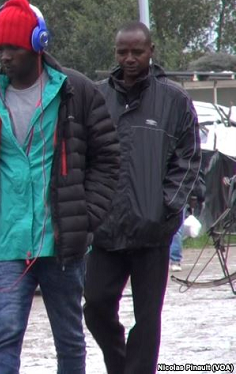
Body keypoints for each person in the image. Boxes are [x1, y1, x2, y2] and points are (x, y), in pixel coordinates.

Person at [0, 0, 120, 373]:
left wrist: (87, 216)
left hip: (60, 240)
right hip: (6, 241)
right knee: (6, 333)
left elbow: (108, 158)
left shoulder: (74, 92)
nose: (4, 56)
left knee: (68, 336)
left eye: (12, 47)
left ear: (37, 44)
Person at [84, 21, 201, 374]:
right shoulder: (96, 97)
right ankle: (119, 364)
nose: (130, 58)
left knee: (148, 319)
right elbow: (81, 155)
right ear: (115, 53)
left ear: (151, 50)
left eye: (137, 51)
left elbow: (190, 157)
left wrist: (167, 206)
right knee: (97, 306)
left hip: (153, 232)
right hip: (106, 230)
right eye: (123, 52)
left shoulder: (174, 100)